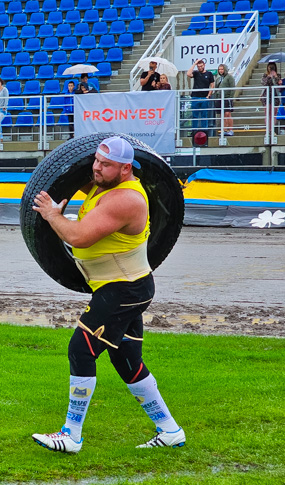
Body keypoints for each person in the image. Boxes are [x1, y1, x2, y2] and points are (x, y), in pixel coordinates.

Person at [30, 136, 185, 454]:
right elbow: (73, 179)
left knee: (81, 350)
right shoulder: (102, 183)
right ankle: (170, 430)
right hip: (127, 287)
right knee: (127, 361)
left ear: (126, 168)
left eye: (106, 165)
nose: (96, 168)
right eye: (96, 161)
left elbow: (78, 236)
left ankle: (71, 435)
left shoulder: (125, 199)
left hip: (123, 290)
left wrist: (51, 214)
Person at [187, 58, 215, 136]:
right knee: (194, 115)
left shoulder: (209, 74)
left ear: (204, 65)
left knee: (204, 115)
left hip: (204, 97)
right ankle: (194, 130)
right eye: (198, 66)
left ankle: (204, 131)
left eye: (201, 66)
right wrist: (194, 63)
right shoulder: (196, 73)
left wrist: (208, 95)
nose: (200, 68)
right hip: (195, 97)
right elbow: (188, 74)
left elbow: (212, 85)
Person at [215, 64, 235, 137]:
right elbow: (216, 88)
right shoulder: (218, 78)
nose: (220, 71)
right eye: (219, 69)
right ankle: (224, 130)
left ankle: (230, 130)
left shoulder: (229, 77)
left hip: (227, 98)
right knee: (222, 115)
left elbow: (232, 87)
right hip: (220, 98)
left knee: (227, 114)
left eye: (222, 69)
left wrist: (230, 97)